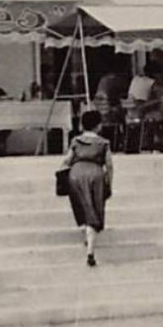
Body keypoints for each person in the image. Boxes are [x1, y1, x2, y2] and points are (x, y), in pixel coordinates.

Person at [62, 109, 112, 267]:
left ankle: (86, 233)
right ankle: (90, 249)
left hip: (76, 174)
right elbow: (109, 165)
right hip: (95, 174)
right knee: (94, 210)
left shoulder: (76, 141)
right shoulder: (103, 143)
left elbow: (67, 160)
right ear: (98, 126)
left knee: (83, 206)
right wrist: (109, 183)